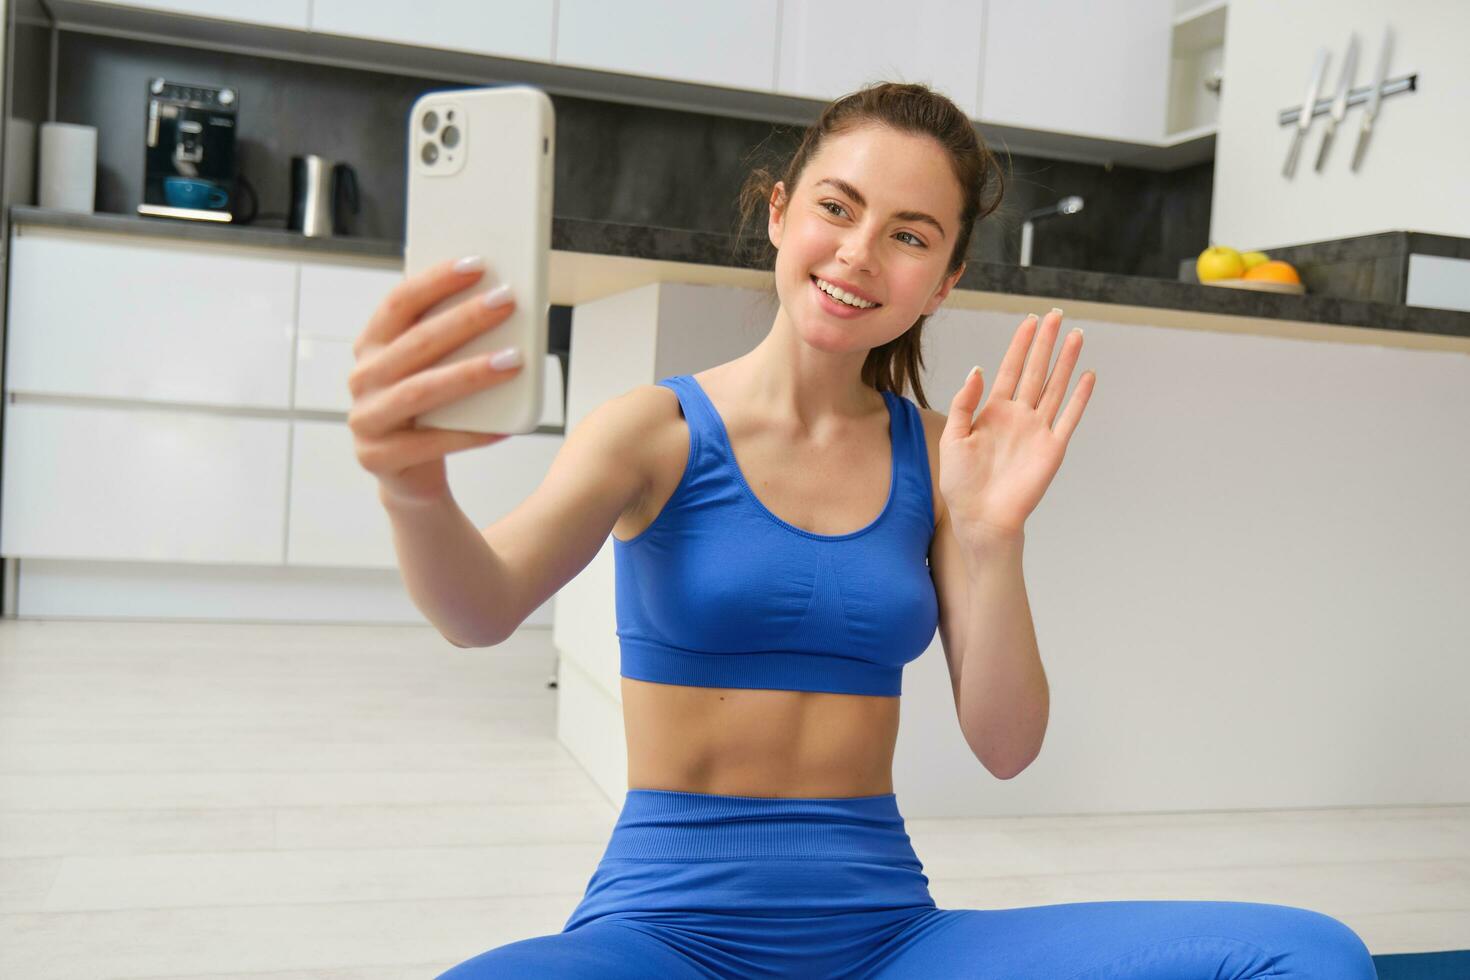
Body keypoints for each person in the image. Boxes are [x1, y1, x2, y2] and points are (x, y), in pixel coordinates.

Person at [349, 81, 1378, 979]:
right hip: (666, 938)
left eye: (910, 234)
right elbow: (481, 610)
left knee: (1308, 953)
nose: (860, 253)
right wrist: (412, 484)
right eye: (837, 209)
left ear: (946, 275)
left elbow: (1007, 745)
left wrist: (994, 535)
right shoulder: (654, 431)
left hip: (888, 941)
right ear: (780, 213)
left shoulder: (940, 458)